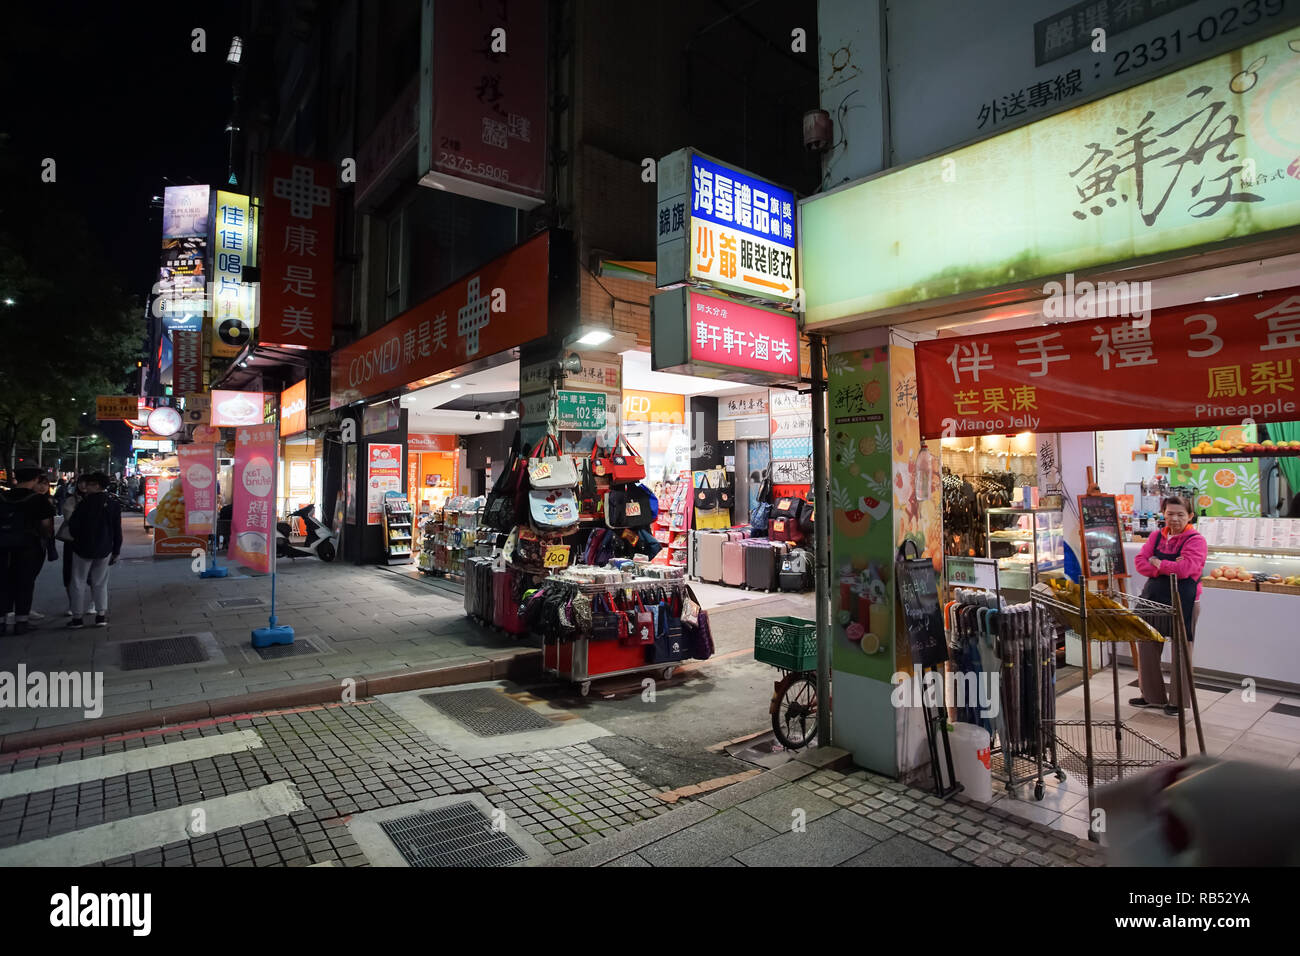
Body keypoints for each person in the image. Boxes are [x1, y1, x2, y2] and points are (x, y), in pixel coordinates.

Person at [1131, 495, 1207, 716]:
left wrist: (1157, 562)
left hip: (1184, 601)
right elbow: (1139, 563)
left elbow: (1186, 570)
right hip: (1152, 597)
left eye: (1180, 514)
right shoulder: (1156, 536)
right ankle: (1151, 696)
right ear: (1163, 514)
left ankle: (1177, 700)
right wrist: (1167, 566)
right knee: (1146, 643)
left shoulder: (1196, 540)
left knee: (1181, 650)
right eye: (1170, 513)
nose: (1174, 519)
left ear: (1190, 516)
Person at [0, 467, 57, 636]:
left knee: (3, 582)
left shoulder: (2, 497)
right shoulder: (38, 500)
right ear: (35, 479)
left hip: (2, 546)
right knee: (24, 582)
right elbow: (46, 526)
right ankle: (21, 622)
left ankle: (2, 622)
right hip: (28, 546)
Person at [65, 472, 122, 629]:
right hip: (104, 548)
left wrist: (76, 539)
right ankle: (101, 616)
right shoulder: (113, 503)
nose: (85, 486)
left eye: (89, 484)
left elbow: (74, 525)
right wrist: (116, 549)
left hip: (82, 547)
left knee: (78, 581)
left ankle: (77, 617)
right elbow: (117, 529)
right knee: (100, 582)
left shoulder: (84, 503)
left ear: (97, 485)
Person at [57, 475, 95, 616]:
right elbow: (69, 518)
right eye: (81, 483)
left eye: (88, 483)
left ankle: (93, 602)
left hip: (91, 541)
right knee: (69, 573)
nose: (84, 485)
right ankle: (73, 603)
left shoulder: (98, 500)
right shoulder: (71, 499)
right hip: (72, 540)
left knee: (92, 572)